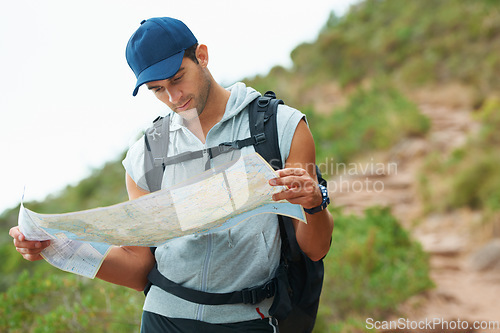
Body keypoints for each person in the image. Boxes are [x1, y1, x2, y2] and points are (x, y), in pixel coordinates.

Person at [10, 17, 334, 332]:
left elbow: (315, 249)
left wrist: (313, 204)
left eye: (178, 78)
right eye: (157, 90)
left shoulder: (280, 127)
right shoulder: (146, 156)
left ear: (202, 56)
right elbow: (140, 270)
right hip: (163, 319)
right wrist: (59, 247)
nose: (173, 98)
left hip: (249, 320)